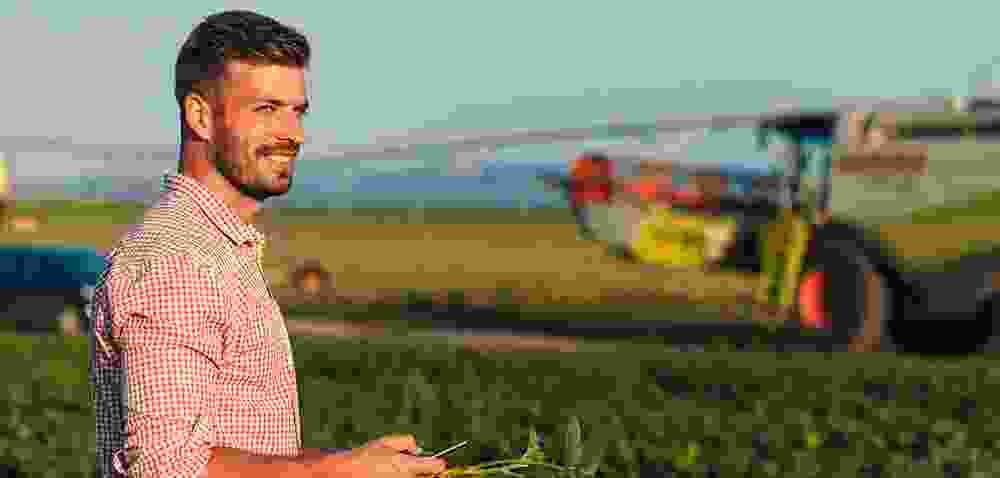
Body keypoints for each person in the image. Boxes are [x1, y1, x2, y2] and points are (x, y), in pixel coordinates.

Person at [88, 10, 448, 478]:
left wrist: (356, 465)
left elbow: (236, 449)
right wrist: (338, 471)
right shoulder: (179, 261)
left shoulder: (220, 250)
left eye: (298, 111)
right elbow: (165, 466)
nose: (293, 134)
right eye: (267, 109)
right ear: (200, 116)